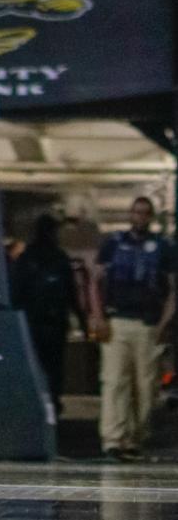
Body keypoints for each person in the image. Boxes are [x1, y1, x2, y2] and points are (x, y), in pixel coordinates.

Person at [92, 193, 176, 460]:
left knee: (146, 387)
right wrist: (98, 317)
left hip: (148, 324)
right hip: (117, 321)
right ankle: (113, 440)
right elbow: (95, 281)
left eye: (144, 213)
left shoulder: (163, 247)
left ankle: (135, 437)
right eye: (136, 212)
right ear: (130, 215)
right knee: (115, 382)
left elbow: (173, 289)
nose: (139, 217)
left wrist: (165, 322)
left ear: (150, 217)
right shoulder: (114, 244)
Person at [11, 211, 85, 424]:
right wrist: (81, 320)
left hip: (34, 323)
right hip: (53, 322)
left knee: (37, 366)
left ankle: (37, 404)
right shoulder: (58, 258)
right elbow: (71, 293)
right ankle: (51, 404)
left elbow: (16, 292)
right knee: (53, 368)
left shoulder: (27, 258)